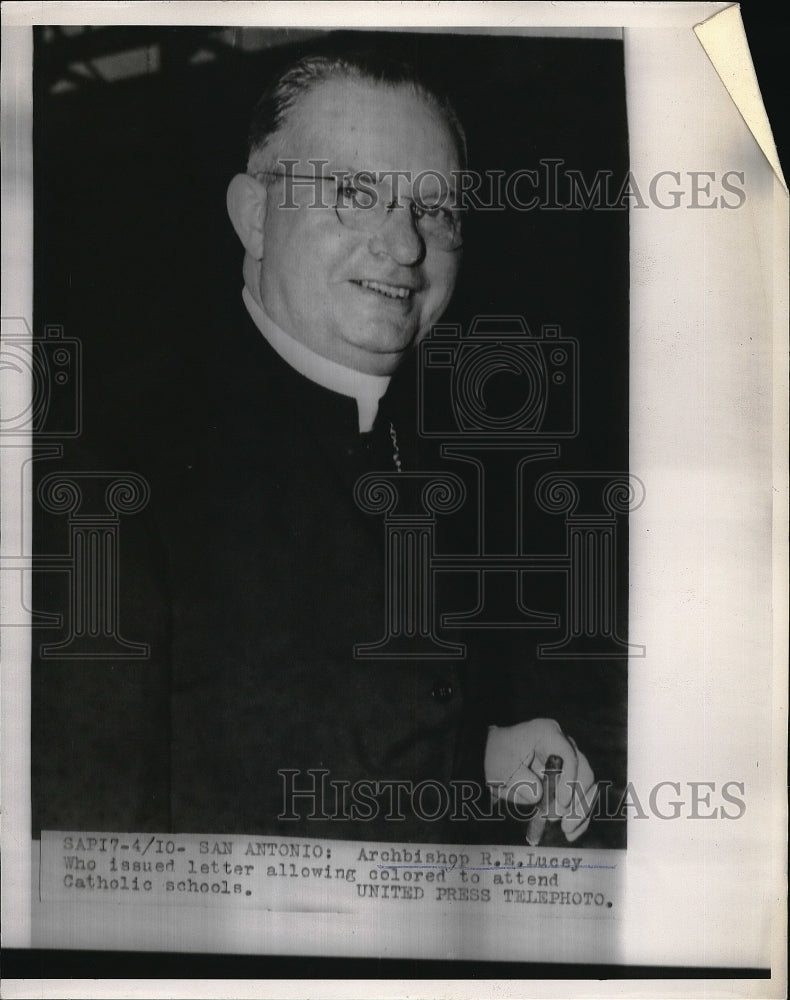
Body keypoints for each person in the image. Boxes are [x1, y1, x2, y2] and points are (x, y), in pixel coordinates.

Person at [33, 48, 597, 844]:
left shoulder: (440, 455)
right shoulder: (110, 470)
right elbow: (87, 856)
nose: (405, 247)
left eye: (435, 210)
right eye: (356, 194)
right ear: (256, 217)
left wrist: (480, 756)